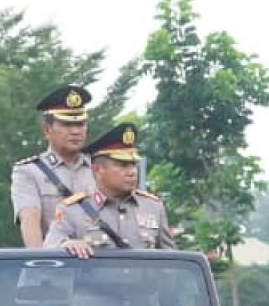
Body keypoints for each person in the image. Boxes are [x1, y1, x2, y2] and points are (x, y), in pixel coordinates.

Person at [46, 123, 177, 255]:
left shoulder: (153, 207)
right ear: (97, 170)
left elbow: (171, 259)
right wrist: (66, 244)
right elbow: (49, 247)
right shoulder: (73, 209)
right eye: (123, 165)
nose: (132, 172)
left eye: (133, 164)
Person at [11, 84, 96, 247]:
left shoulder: (99, 169)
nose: (75, 131)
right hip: (52, 264)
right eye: (66, 125)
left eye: (80, 124)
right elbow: (30, 223)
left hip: (97, 266)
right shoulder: (28, 172)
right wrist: (40, 263)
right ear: (47, 130)